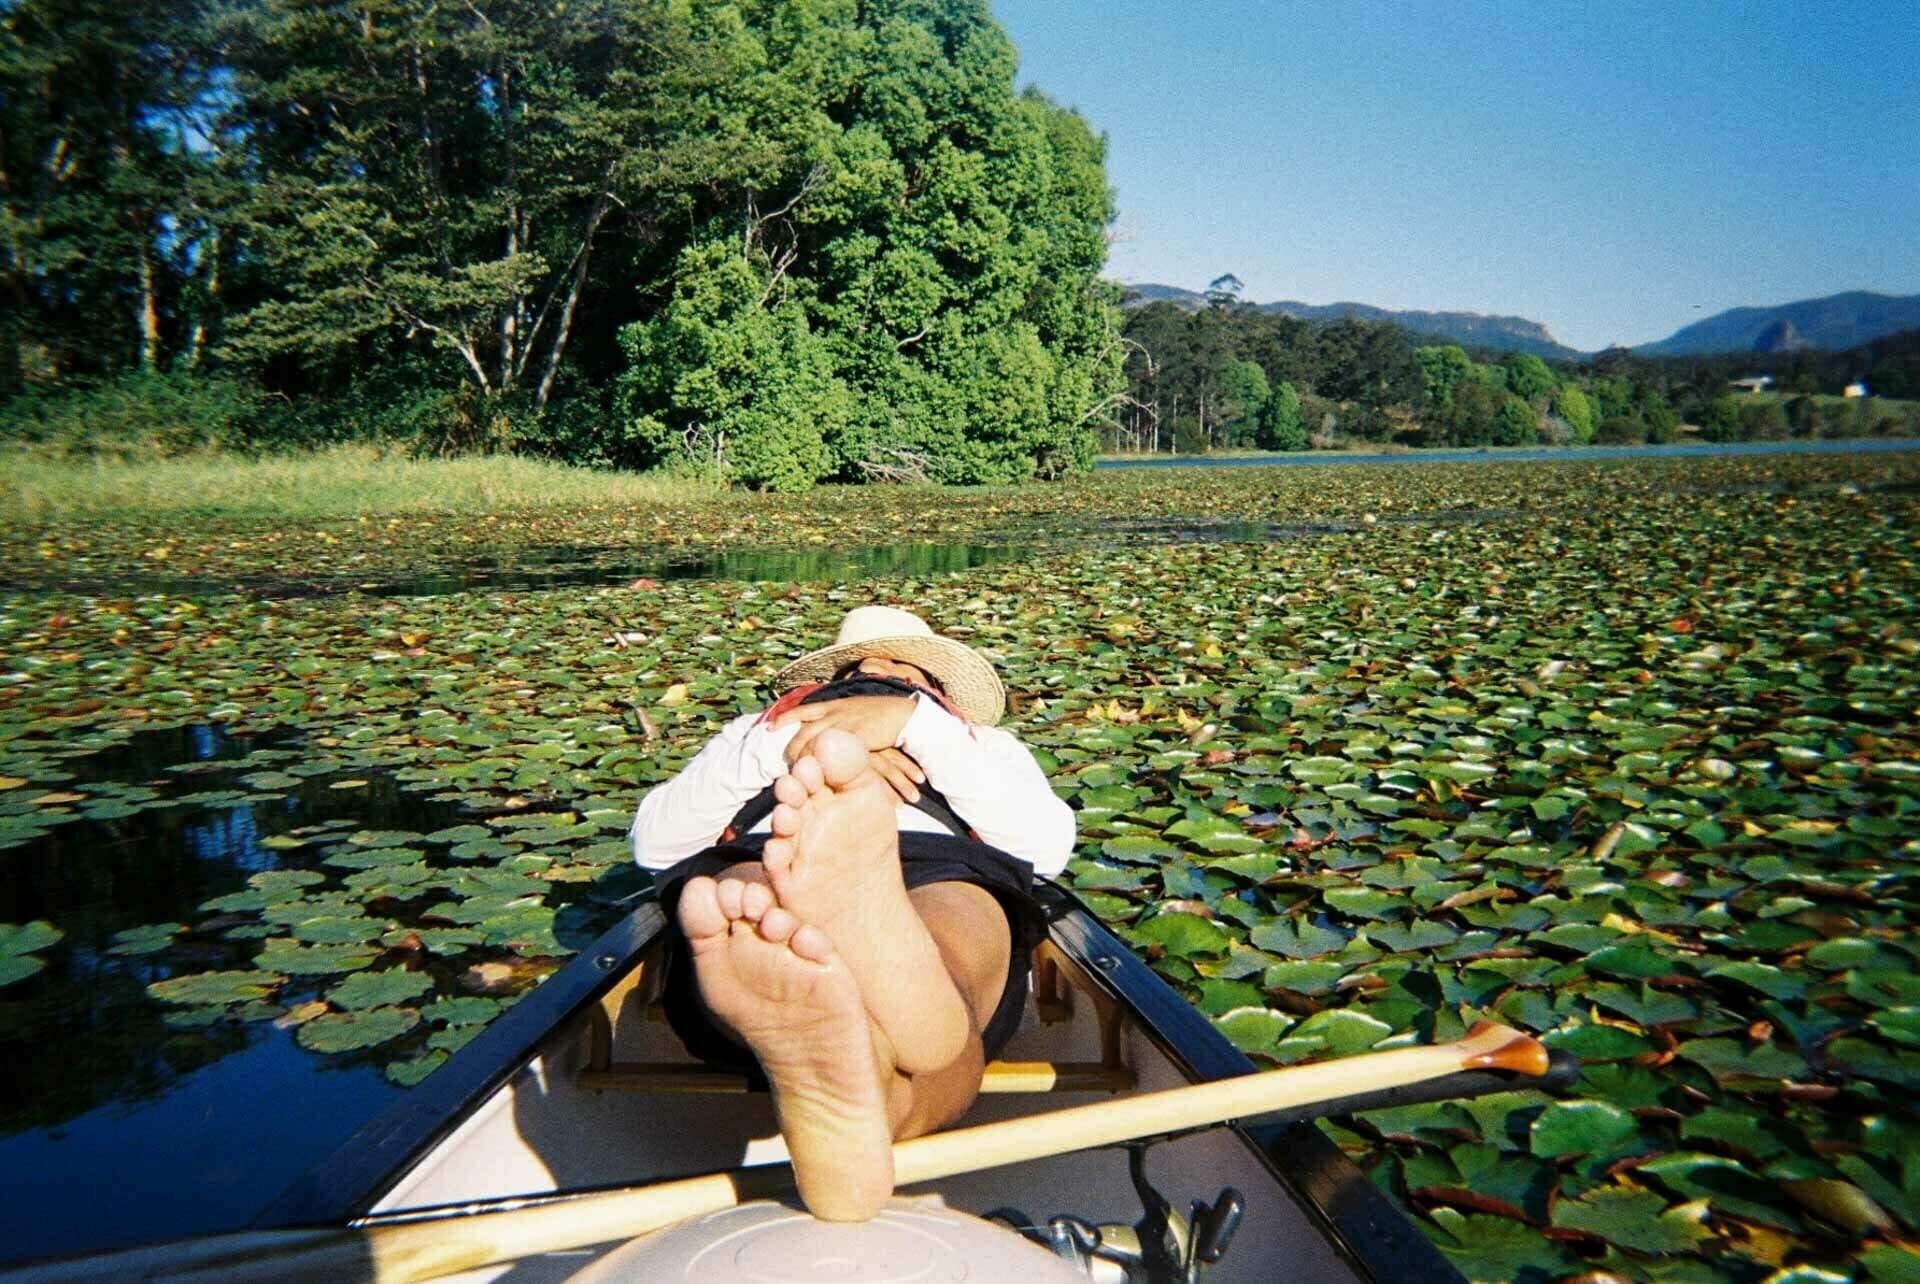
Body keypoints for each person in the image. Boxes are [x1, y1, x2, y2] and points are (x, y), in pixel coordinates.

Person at [629, 605, 1074, 1220]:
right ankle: (879, 1088)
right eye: (856, 666)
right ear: (822, 687)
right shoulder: (760, 732)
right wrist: (794, 741)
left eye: (900, 666)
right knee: (750, 889)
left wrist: (912, 726)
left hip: (942, 862)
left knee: (953, 919)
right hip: (782, 843)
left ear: (939, 692)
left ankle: (886, 981)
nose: (875, 670)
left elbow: (1044, 847)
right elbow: (655, 844)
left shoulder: (981, 744)